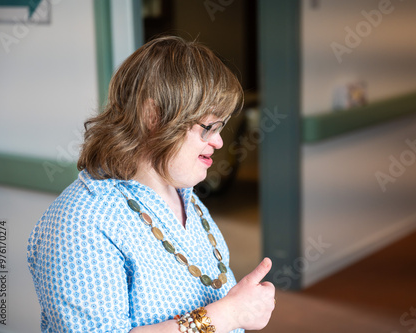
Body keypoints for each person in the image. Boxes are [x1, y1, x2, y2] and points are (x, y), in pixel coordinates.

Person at [27, 36, 275, 333]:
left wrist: (240, 307)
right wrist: (229, 315)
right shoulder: (81, 221)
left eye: (220, 127)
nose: (219, 142)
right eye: (207, 128)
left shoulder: (182, 193)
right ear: (152, 117)